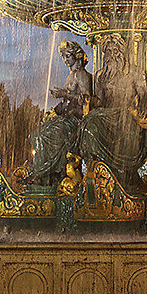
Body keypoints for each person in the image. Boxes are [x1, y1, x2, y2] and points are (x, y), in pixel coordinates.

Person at [76, 33, 147, 186]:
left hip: (127, 114)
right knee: (88, 123)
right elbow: (100, 101)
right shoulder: (100, 75)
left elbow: (144, 95)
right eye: (108, 51)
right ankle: (94, 169)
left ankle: (126, 172)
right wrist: (88, 100)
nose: (111, 55)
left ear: (121, 52)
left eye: (115, 50)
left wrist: (143, 109)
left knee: (125, 126)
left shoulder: (135, 72)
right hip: (107, 115)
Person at [26, 41, 92, 187]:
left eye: (68, 56)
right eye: (63, 56)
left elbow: (86, 99)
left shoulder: (81, 75)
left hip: (76, 120)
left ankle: (43, 174)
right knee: (35, 135)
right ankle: (45, 172)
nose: (65, 60)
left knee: (42, 136)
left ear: (77, 55)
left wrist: (66, 95)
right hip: (66, 118)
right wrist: (53, 112)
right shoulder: (71, 76)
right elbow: (64, 104)